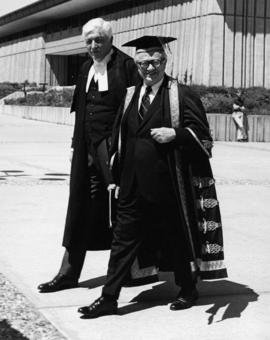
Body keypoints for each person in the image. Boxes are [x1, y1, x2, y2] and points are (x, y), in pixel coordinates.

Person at [77, 35, 228, 318]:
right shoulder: (131, 94)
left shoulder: (182, 95)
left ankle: (187, 289)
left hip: (169, 186)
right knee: (122, 242)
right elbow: (117, 138)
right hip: (132, 186)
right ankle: (109, 297)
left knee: (176, 238)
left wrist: (177, 134)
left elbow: (205, 140)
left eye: (155, 61)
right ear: (136, 64)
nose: (150, 68)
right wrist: (113, 177)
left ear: (165, 61)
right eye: (144, 62)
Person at [38, 18, 141, 293]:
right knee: (80, 209)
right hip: (87, 149)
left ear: (110, 40)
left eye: (99, 40)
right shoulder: (85, 68)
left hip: (116, 150)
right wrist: (75, 146)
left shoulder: (126, 65)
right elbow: (81, 112)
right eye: (89, 41)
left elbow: (136, 111)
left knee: (121, 210)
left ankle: (131, 270)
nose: (93, 46)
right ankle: (68, 273)